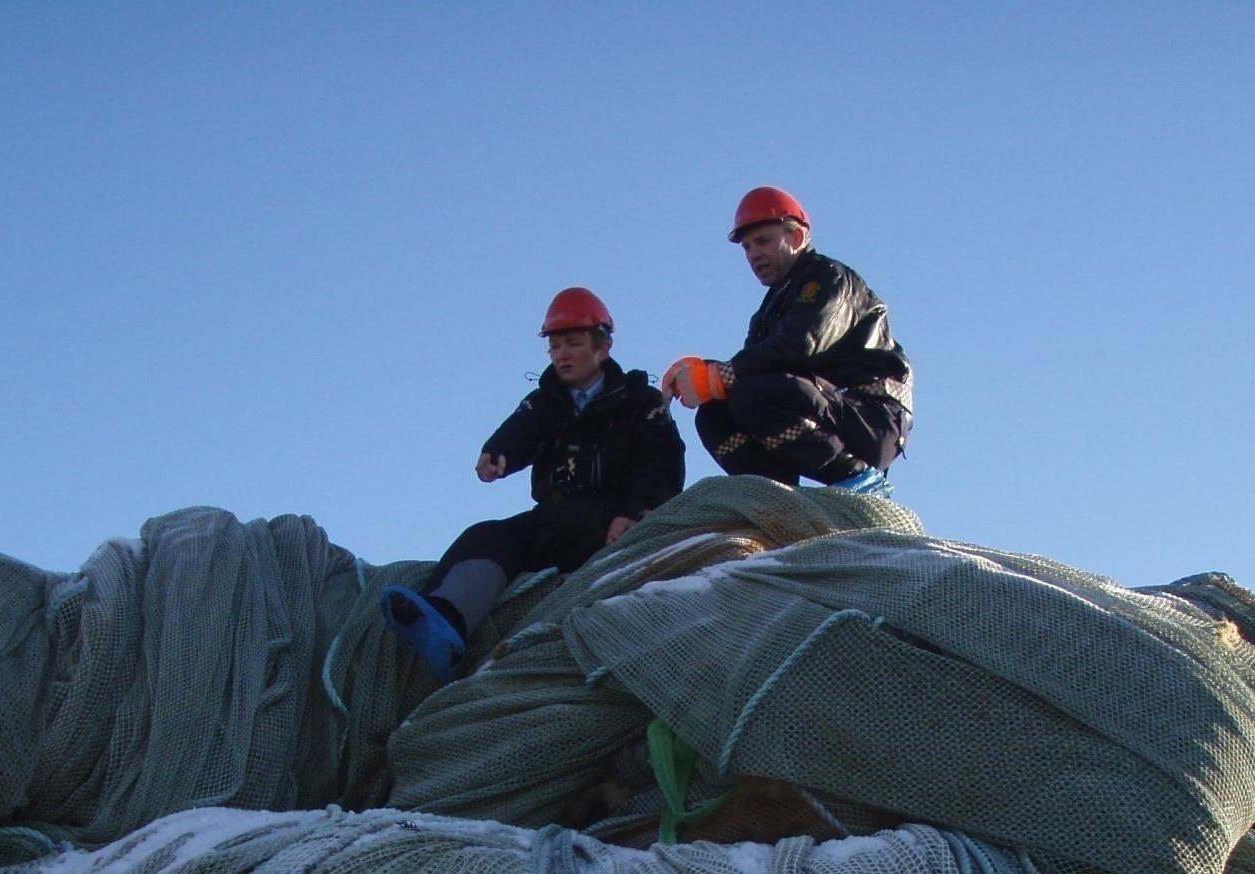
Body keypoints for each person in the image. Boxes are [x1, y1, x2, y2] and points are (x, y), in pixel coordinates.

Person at [384, 288, 685, 680]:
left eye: (573, 343)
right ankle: (444, 622)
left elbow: (662, 464)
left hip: (610, 524)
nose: (561, 354)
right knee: (487, 535)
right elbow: (523, 430)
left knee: (564, 526)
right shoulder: (545, 401)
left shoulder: (639, 403)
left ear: (603, 346)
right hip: (553, 521)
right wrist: (498, 453)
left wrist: (636, 512)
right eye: (555, 345)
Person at [660, 187, 912, 498]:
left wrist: (716, 375)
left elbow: (800, 345)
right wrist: (705, 372)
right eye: (747, 247)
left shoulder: (829, 279)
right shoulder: (768, 310)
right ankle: (774, 497)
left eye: (763, 241)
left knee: (753, 393)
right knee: (715, 412)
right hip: (827, 408)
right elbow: (755, 366)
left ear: (795, 237)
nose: (754, 254)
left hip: (872, 416)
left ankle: (858, 482)